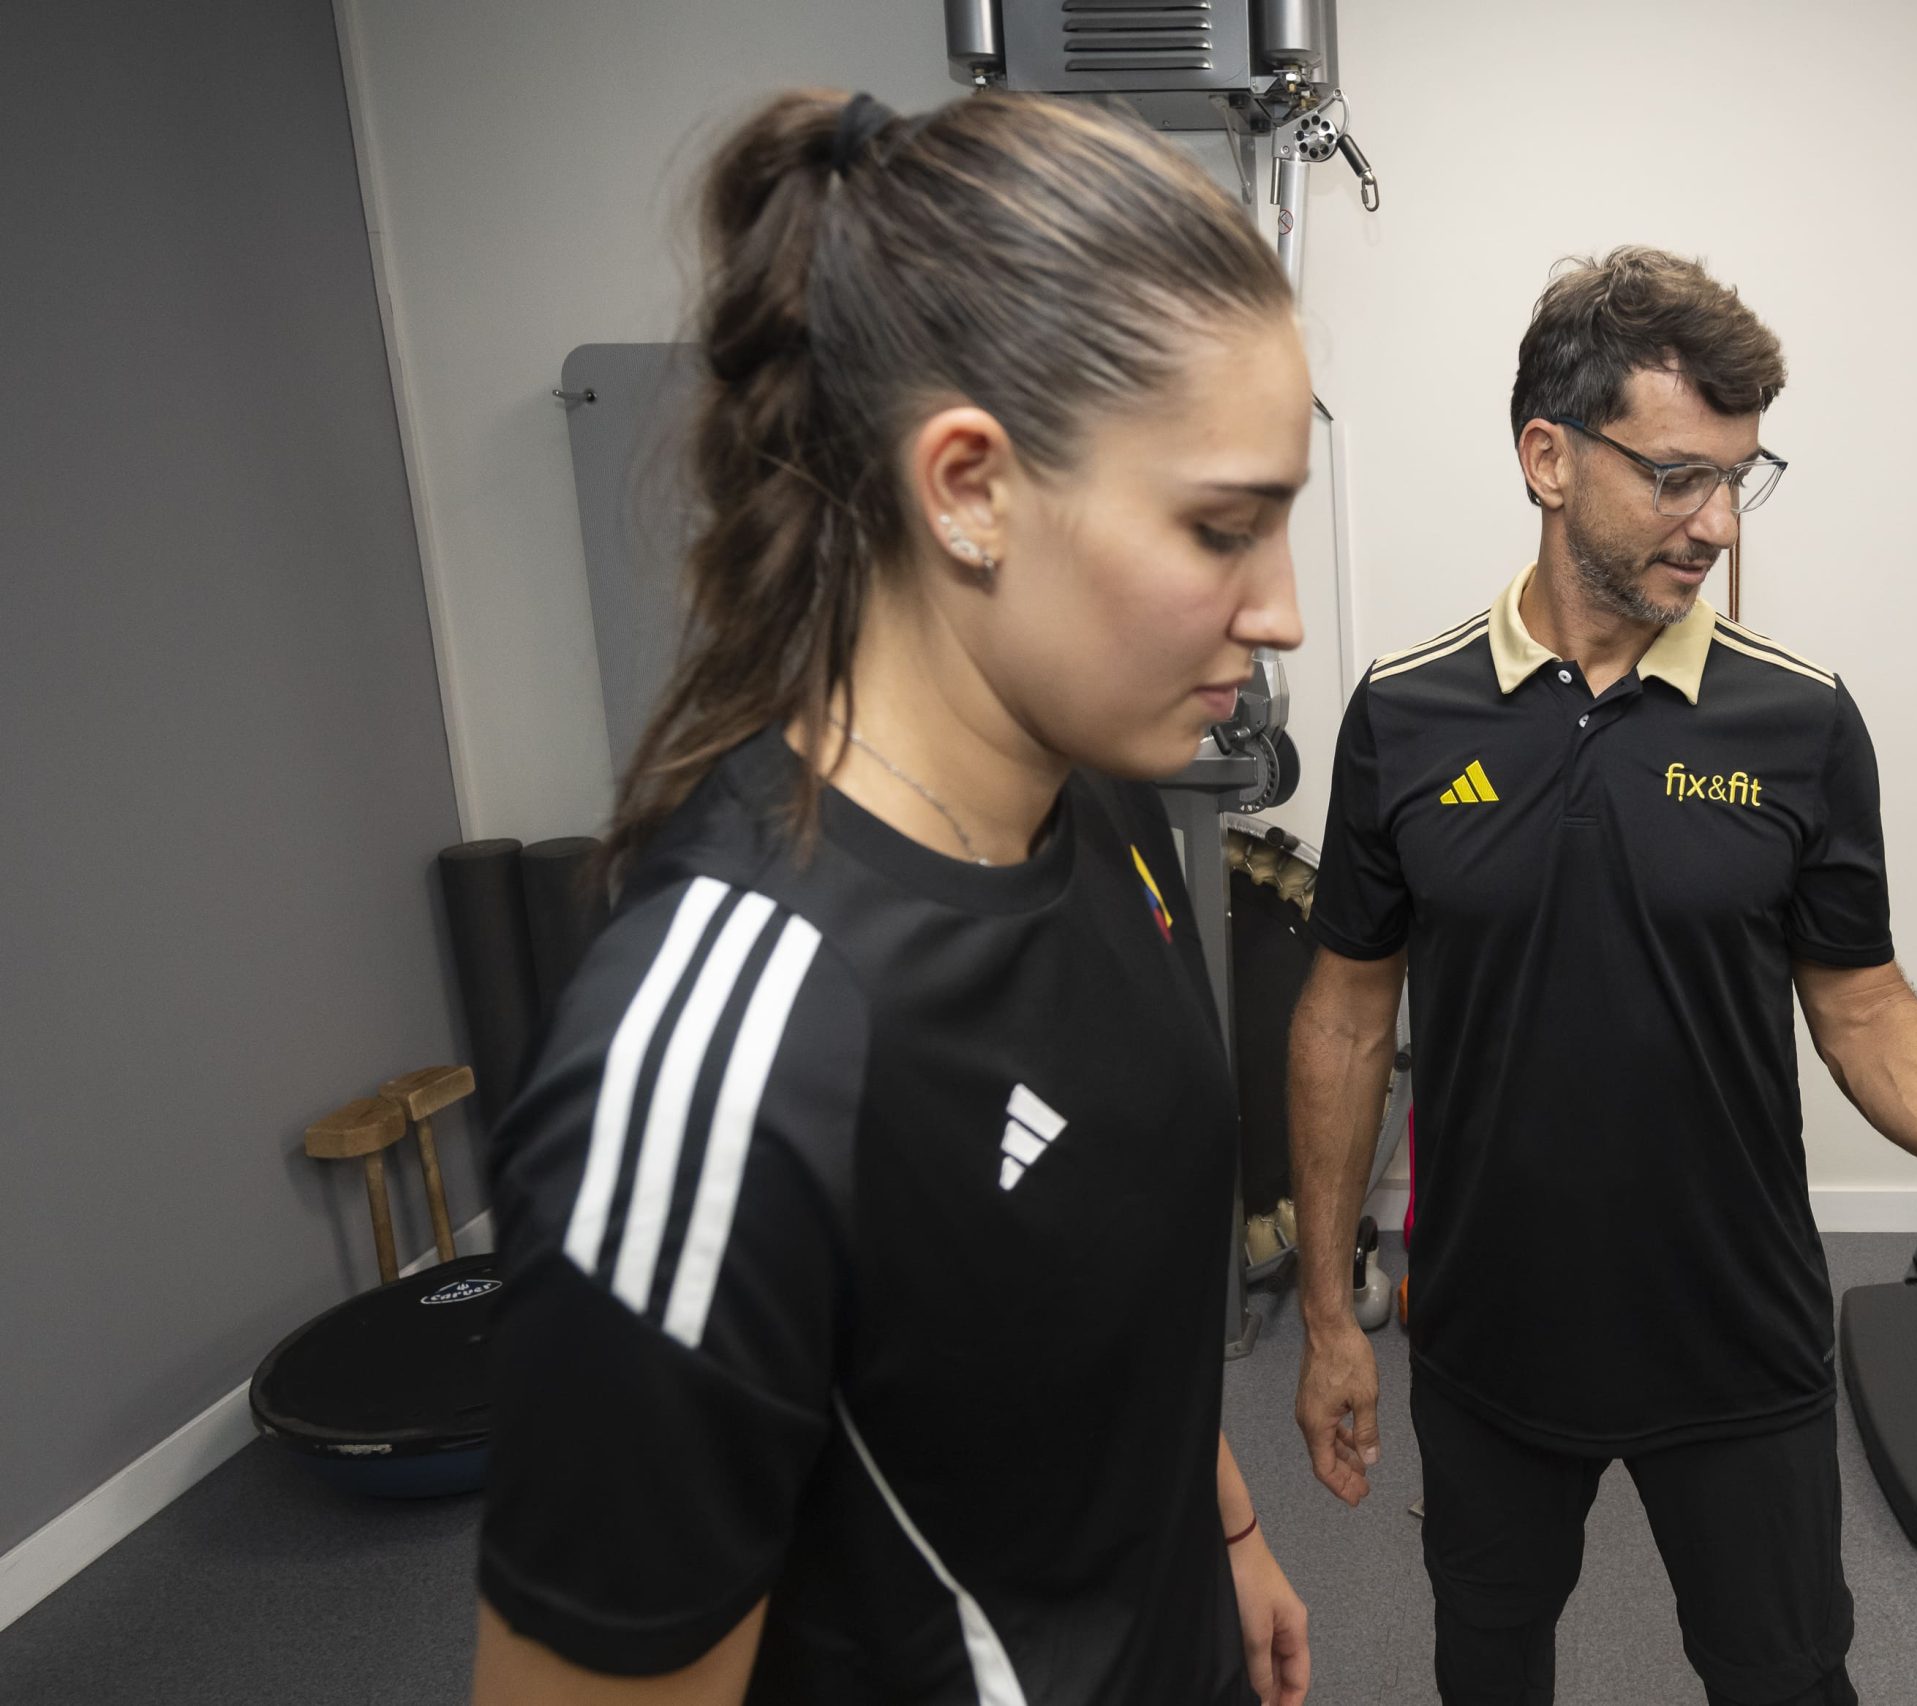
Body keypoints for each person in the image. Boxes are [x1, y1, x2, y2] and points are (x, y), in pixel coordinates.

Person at [469, 88, 1314, 1706]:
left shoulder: (1106, 807)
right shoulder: (722, 1066)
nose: (1278, 606)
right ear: (971, 487)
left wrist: (1227, 1526)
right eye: (1224, 527)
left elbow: (1087, 1301)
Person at [1287, 246, 1917, 1706]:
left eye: (1738, 477)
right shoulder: (1404, 714)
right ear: (1548, 458)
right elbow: (1345, 1012)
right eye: (1675, 477)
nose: (1716, 521)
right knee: (1488, 1664)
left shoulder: (1802, 721)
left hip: (1736, 1332)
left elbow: (1863, 1003)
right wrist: (1333, 1316)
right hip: (1491, 1331)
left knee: (1784, 1677)